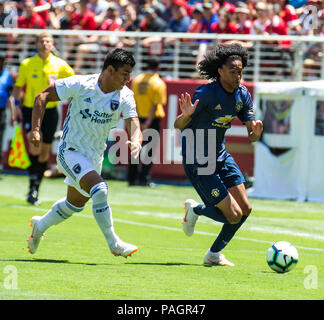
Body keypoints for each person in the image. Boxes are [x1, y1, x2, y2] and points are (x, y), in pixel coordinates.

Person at [27, 48, 142, 258]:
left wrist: (136, 139)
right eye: (125, 73)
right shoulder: (81, 84)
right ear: (110, 69)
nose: (128, 78)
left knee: (74, 204)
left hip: (94, 157)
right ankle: (114, 242)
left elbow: (133, 122)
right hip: (70, 151)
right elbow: (41, 96)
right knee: (100, 189)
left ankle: (40, 225)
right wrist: (36, 129)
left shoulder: (125, 95)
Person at [174, 43, 263, 266]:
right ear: (220, 71)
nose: (237, 76)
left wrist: (256, 133)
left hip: (221, 155)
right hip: (199, 159)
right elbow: (178, 125)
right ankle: (196, 210)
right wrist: (186, 116)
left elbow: (252, 135)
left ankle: (213, 255)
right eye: (232, 71)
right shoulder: (206, 94)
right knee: (233, 215)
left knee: (246, 209)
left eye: (240, 71)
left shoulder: (242, 94)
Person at [13, 33, 75, 205]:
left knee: (45, 151)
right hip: (30, 110)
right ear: (36, 44)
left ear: (52, 44)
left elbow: (74, 80)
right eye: (42, 41)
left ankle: (35, 187)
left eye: (48, 41)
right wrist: (16, 108)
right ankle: (32, 185)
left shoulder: (59, 64)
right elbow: (18, 88)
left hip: (50, 111)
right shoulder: (27, 64)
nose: (45, 44)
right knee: (35, 146)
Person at [128, 56, 166, 186]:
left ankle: (131, 179)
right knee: (149, 151)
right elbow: (155, 105)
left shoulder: (136, 80)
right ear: (158, 67)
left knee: (135, 148)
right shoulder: (158, 83)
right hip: (151, 120)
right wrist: (147, 123)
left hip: (137, 118)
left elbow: (133, 101)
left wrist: (138, 121)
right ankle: (144, 179)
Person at [0, 54, 15, 176]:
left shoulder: (6, 75)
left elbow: (10, 96)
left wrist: (13, 114)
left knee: (0, 139)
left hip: (1, 112)